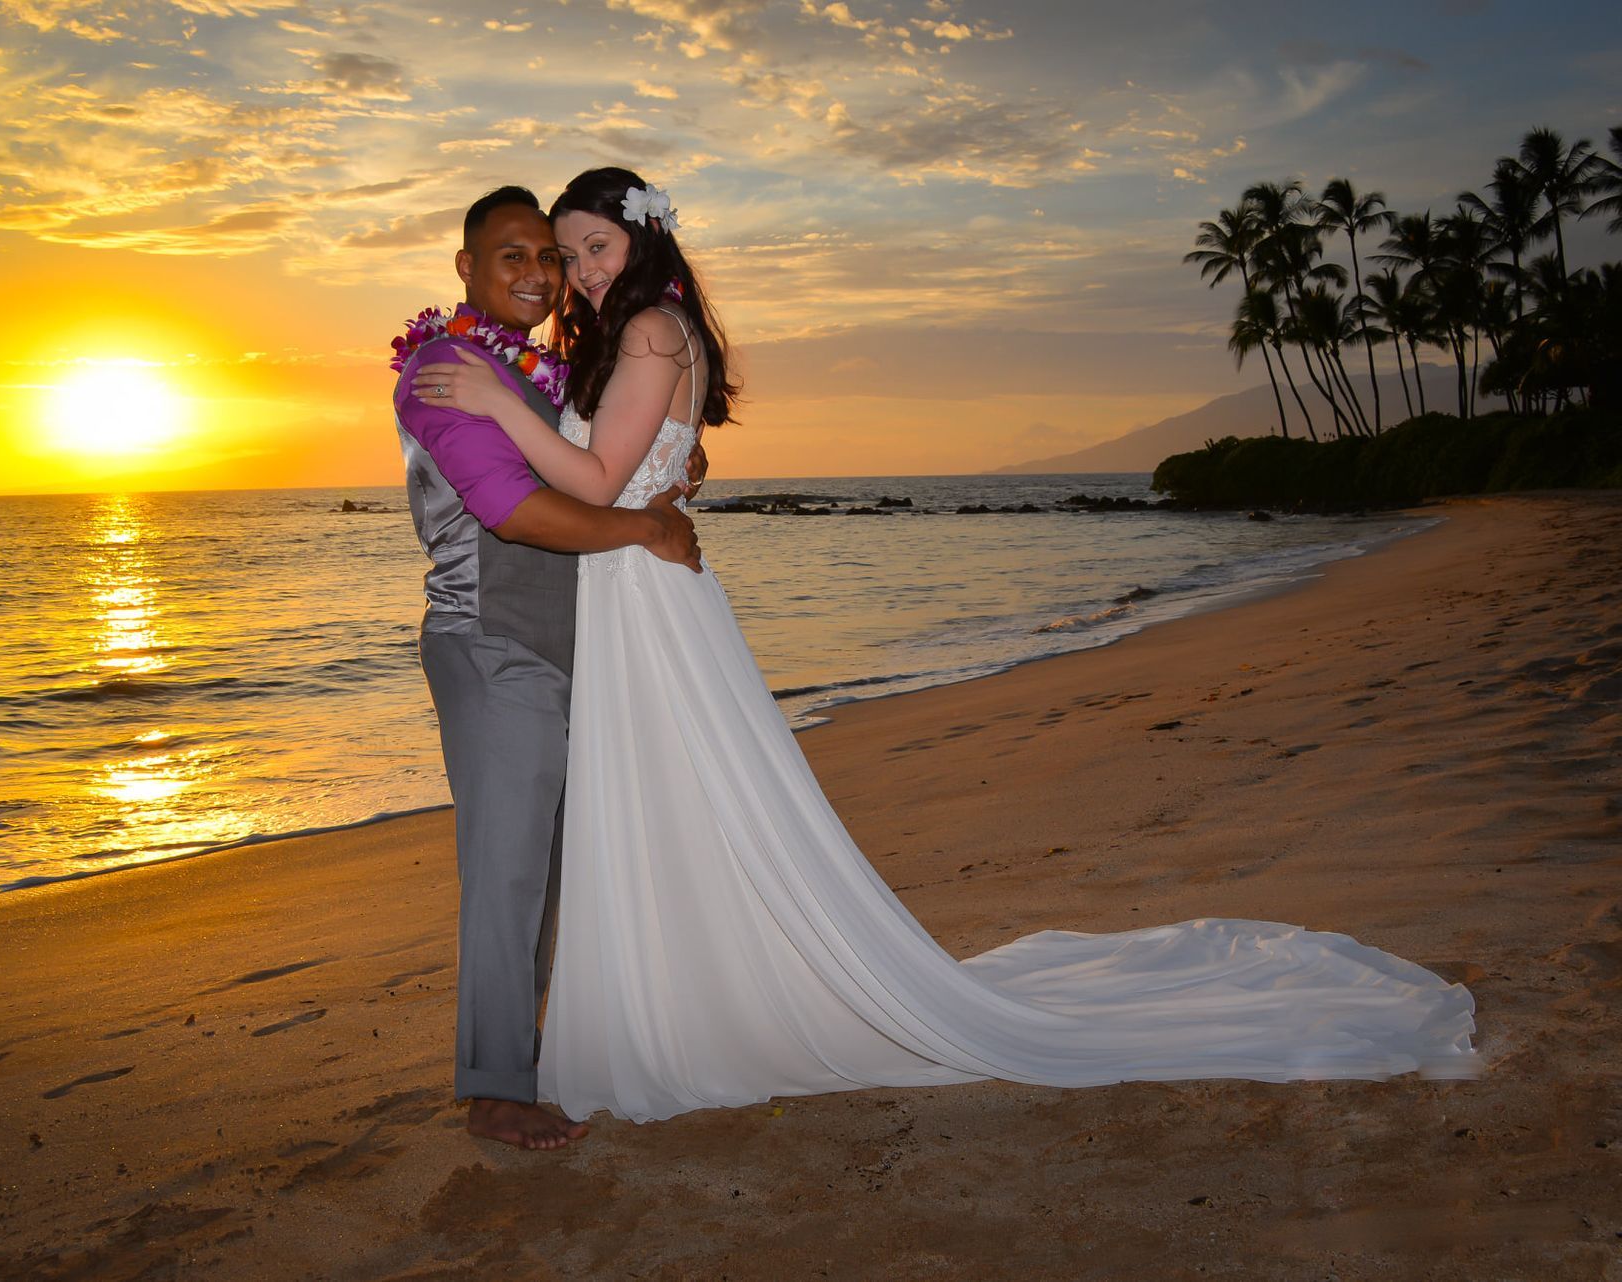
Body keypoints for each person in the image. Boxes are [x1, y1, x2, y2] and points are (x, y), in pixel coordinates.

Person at [412, 167, 1479, 1126]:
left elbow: (595, 482)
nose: (577, 270)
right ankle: (669, 995)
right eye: (565, 252)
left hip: (642, 600)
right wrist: (654, 476)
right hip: (633, 600)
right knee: (671, 810)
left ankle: (675, 1011)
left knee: (680, 807)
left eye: (592, 246)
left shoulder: (642, 335)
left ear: (642, 243)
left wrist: (533, 420)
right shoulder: (623, 340)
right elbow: (631, 465)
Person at [392, 185, 702, 1149]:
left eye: (551, 258)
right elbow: (511, 511)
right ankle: (493, 1087)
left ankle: (536, 1050)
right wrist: (643, 524)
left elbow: (605, 452)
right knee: (508, 871)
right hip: (494, 644)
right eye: (512, 256)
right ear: (467, 269)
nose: (538, 274)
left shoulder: (546, 368)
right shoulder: (443, 371)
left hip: (584, 647)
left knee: (558, 869)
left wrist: (669, 475)